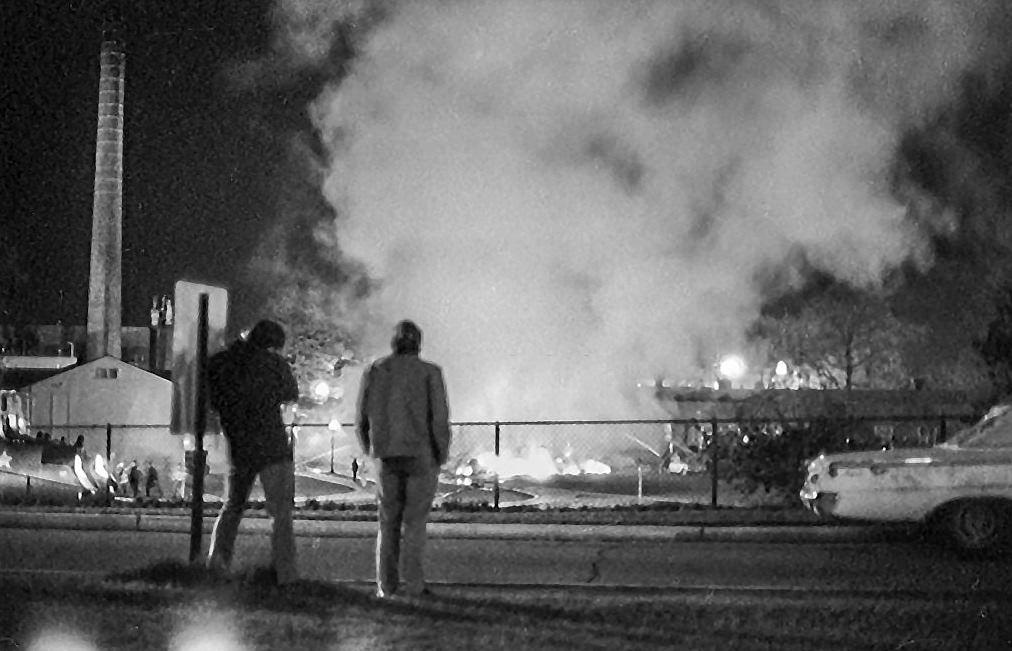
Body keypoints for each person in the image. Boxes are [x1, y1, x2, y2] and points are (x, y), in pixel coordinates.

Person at [356, 320, 451, 598]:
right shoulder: (430, 372)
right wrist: (441, 453)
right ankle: (414, 585)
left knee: (387, 521)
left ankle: (386, 586)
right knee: (415, 523)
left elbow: (361, 417)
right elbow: (439, 419)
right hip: (421, 455)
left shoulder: (375, 370)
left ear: (393, 343)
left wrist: (369, 448)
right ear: (418, 343)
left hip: (385, 454)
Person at [206, 319, 300, 585]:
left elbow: (214, 401)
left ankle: (217, 564)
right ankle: (286, 573)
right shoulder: (274, 364)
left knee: (233, 506)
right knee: (280, 512)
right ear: (272, 344)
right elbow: (290, 394)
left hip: (239, 443)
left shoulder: (221, 363)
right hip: (272, 444)